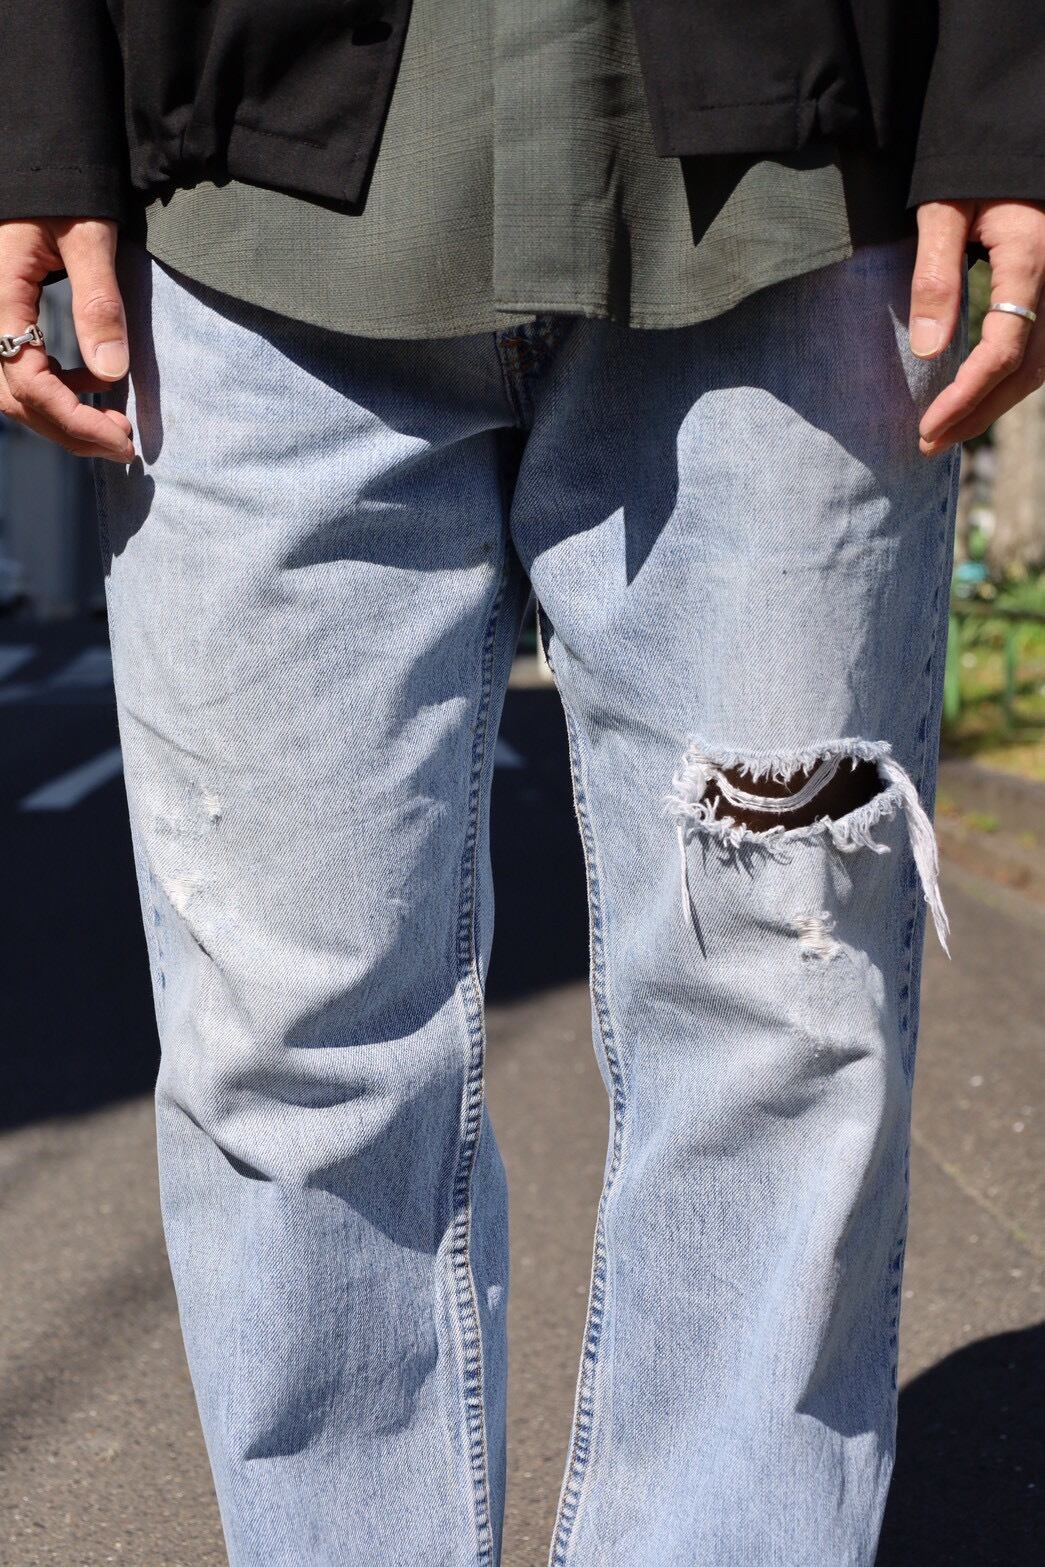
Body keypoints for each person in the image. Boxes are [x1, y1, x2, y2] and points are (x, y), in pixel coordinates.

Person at [1, 3, 1042, 1564]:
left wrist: (1010, 99)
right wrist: (31, 119)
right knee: (289, 1054)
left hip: (792, 180)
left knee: (778, 1016)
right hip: (242, 205)